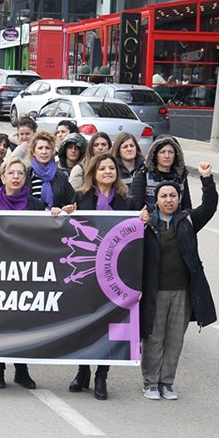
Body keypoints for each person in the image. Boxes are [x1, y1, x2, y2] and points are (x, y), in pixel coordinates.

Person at [0, 157, 75, 389]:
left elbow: (48, 234)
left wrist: (57, 214)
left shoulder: (35, 205)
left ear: (25, 178)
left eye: (20, 173)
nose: (15, 177)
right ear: (2, 177)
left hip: (26, 273)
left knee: (23, 323)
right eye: (11, 173)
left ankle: (21, 369)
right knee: (0, 323)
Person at [139, 163, 217, 401]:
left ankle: (167, 382)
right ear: (156, 199)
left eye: (173, 195)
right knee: (154, 338)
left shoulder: (188, 221)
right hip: (155, 291)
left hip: (183, 291)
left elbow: (210, 206)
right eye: (164, 196)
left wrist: (207, 179)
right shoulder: (147, 223)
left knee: (175, 339)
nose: (169, 200)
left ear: (179, 198)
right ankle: (151, 382)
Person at [66, 154, 135, 400]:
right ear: (93, 173)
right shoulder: (81, 198)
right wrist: (65, 213)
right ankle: (82, 370)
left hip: (114, 273)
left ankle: (101, 375)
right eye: (102, 168)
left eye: (111, 168)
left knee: (110, 323)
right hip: (86, 274)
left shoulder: (127, 202)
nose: (108, 171)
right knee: (86, 322)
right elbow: (71, 229)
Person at [131, 136, 191, 210]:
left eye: (171, 152)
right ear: (155, 154)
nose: (167, 156)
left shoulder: (181, 177)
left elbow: (187, 207)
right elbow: (135, 207)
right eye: (162, 152)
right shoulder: (143, 175)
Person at [27, 131, 77, 208]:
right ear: (33, 152)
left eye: (47, 148)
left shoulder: (61, 175)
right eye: (40, 148)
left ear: (52, 151)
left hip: (56, 219)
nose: (44, 152)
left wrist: (64, 209)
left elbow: (72, 200)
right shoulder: (26, 175)